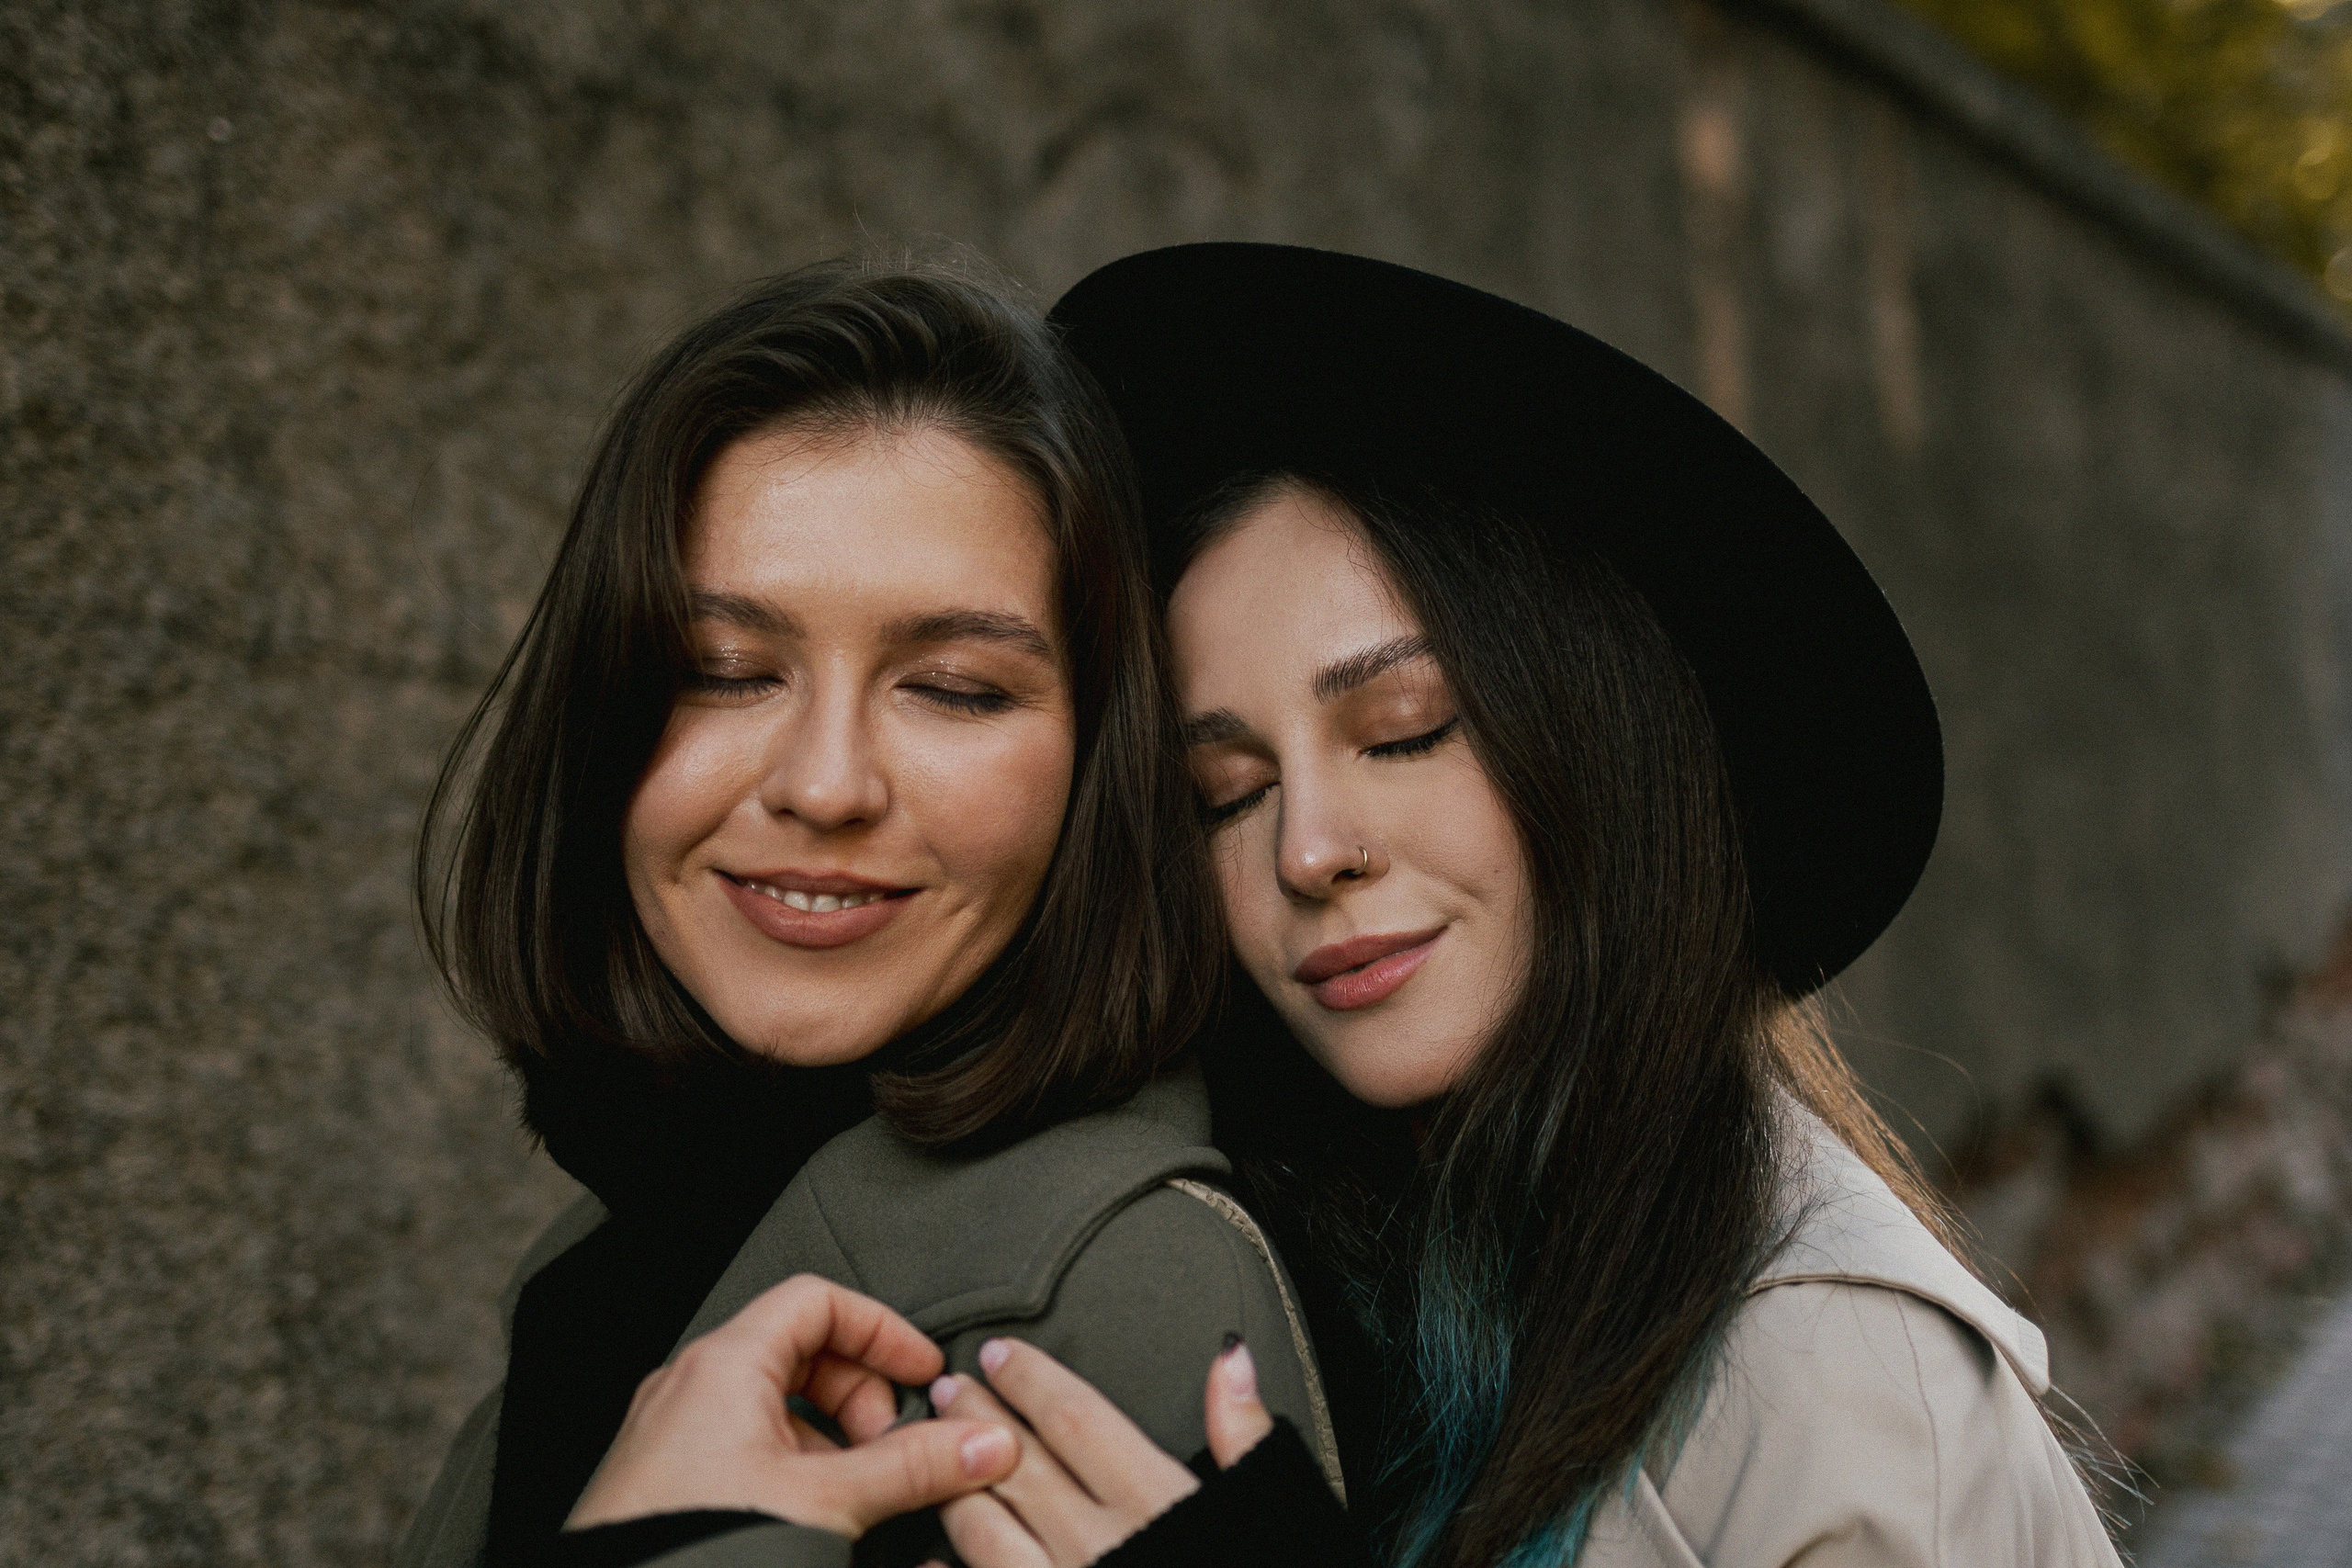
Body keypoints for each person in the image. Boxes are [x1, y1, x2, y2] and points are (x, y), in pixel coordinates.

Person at [906, 243, 2126, 1566]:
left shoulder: (1843, 1379)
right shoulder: (1295, 1261)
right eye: (1225, 792)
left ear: (1593, 750)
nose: (1307, 850)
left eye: (1405, 730)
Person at [393, 259, 1339, 1568]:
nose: (826, 784)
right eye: (720, 672)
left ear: (1100, 760)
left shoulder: (1108, 1289)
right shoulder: (610, 1246)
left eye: (953, 687)